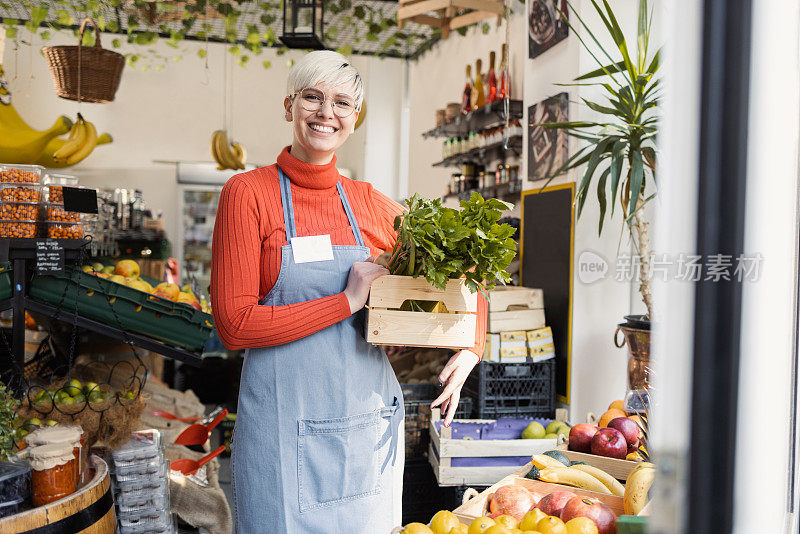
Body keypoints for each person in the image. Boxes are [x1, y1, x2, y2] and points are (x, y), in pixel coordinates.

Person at [211, 50, 487, 533]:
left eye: (341, 103)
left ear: (354, 118)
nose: (325, 113)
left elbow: (465, 264)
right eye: (312, 98)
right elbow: (235, 327)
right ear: (288, 106)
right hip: (280, 429)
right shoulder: (246, 193)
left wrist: (471, 344)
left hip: (363, 429)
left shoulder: (369, 203)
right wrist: (346, 302)